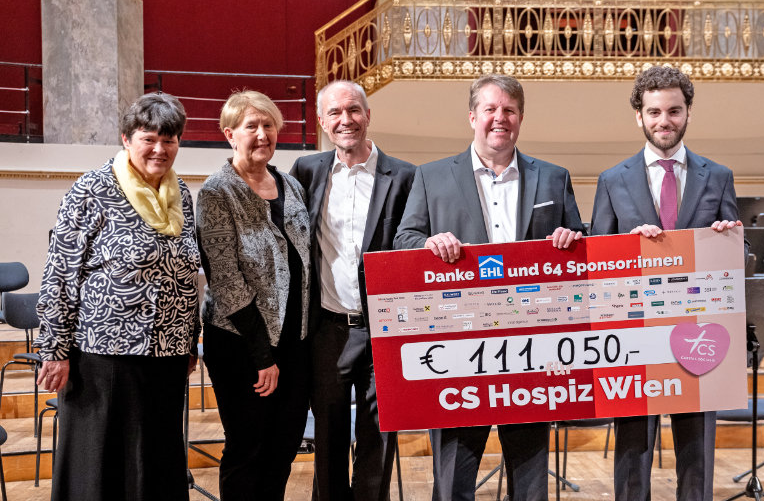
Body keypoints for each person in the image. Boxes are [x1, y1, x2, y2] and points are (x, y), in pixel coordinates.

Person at [394, 74, 585, 501]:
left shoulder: (553, 177)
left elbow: (579, 240)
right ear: (472, 117)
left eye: (509, 110)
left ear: (521, 117)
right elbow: (404, 239)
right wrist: (427, 244)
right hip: (458, 351)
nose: (500, 118)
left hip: (533, 350)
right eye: (490, 109)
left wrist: (572, 238)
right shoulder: (431, 176)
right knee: (453, 481)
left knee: (531, 481)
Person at [34, 92, 200, 500]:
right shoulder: (92, 189)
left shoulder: (181, 193)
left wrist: (189, 340)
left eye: (169, 139)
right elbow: (60, 273)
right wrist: (54, 350)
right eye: (149, 139)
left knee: (157, 461)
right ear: (127, 139)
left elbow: (187, 275)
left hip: (167, 355)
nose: (160, 149)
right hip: (104, 356)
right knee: (100, 466)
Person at [590, 65, 741, 501]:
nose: (664, 121)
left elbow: (737, 256)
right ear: (639, 116)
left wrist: (728, 238)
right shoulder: (612, 179)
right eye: (654, 112)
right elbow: (597, 260)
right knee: (632, 457)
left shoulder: (719, 176)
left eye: (674, 111)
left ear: (688, 112)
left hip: (700, 335)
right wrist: (628, 246)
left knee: (697, 457)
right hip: (635, 336)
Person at [289, 80, 415, 501]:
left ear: (368, 115)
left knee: (379, 437)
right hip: (328, 328)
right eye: (335, 113)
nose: (346, 120)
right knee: (327, 436)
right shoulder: (306, 171)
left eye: (354, 110)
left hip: (386, 330)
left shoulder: (406, 176)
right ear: (321, 121)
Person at [196, 90, 311, 500]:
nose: (262, 134)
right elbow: (225, 280)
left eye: (268, 125)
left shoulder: (290, 185)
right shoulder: (216, 192)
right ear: (230, 134)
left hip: (294, 342)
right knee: (248, 449)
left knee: (284, 448)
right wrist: (263, 356)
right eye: (251, 126)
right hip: (241, 345)